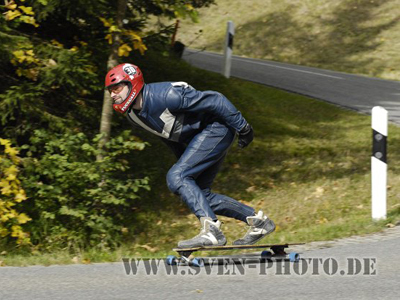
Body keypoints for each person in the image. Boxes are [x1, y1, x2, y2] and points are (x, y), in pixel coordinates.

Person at [105, 63, 275, 248]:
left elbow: (216, 100)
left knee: (176, 177)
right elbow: (167, 135)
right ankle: (260, 223)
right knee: (200, 195)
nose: (113, 94)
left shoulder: (168, 96)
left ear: (132, 84)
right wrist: (183, 163)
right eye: (110, 91)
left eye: (117, 88)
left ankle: (212, 232)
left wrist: (243, 127)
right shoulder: (133, 116)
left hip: (217, 129)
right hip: (200, 139)